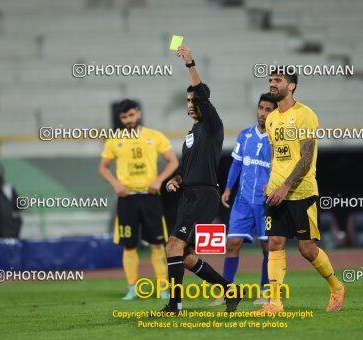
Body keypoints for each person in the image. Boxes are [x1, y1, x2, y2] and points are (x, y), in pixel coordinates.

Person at [255, 67, 346, 314]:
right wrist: (272, 181)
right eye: (270, 80)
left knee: (307, 249)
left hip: (301, 192)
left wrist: (285, 186)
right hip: (276, 193)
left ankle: (337, 287)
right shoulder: (272, 118)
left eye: (278, 80)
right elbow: (276, 154)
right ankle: (274, 303)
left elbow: (306, 158)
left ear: (292, 85)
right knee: (274, 243)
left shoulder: (305, 115)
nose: (272, 84)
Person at [160, 45, 243, 314]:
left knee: (172, 245)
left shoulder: (212, 124)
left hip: (204, 195)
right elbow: (188, 168)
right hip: (190, 194)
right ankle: (231, 290)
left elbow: (202, 95)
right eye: (188, 101)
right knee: (184, 255)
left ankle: (175, 305)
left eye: (195, 100)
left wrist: (190, 64)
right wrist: (177, 179)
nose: (191, 105)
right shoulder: (191, 134)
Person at [98, 99, 178, 300]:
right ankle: (132, 288)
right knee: (129, 245)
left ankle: (162, 288)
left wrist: (159, 180)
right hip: (127, 200)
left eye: (131, 115)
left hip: (151, 198)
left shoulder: (154, 136)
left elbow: (173, 161)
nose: (128, 120)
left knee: (157, 244)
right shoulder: (114, 140)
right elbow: (102, 167)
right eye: (124, 117)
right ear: (120, 119)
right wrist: (116, 184)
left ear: (138, 114)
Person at [211, 93, 277, 306]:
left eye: (268, 109)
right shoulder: (245, 135)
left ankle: (266, 291)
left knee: (268, 248)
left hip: (266, 203)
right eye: (261, 108)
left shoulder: (278, 138)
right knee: (232, 244)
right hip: (243, 200)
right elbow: (237, 164)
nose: (262, 113)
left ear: (275, 112)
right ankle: (227, 291)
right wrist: (228, 188)